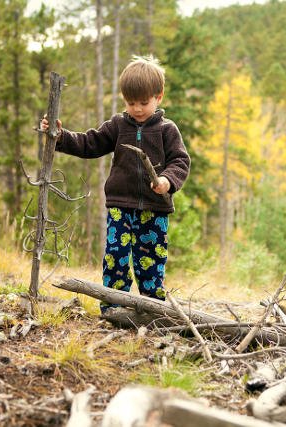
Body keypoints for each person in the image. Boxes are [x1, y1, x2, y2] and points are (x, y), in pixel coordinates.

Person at [41, 55, 190, 312]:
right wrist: (61, 137)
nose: (138, 109)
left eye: (144, 102)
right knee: (115, 257)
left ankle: (152, 309)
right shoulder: (118, 125)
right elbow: (90, 143)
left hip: (154, 210)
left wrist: (167, 180)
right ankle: (113, 306)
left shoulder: (167, 130)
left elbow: (180, 161)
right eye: (131, 103)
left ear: (159, 97)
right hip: (120, 207)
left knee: (151, 261)